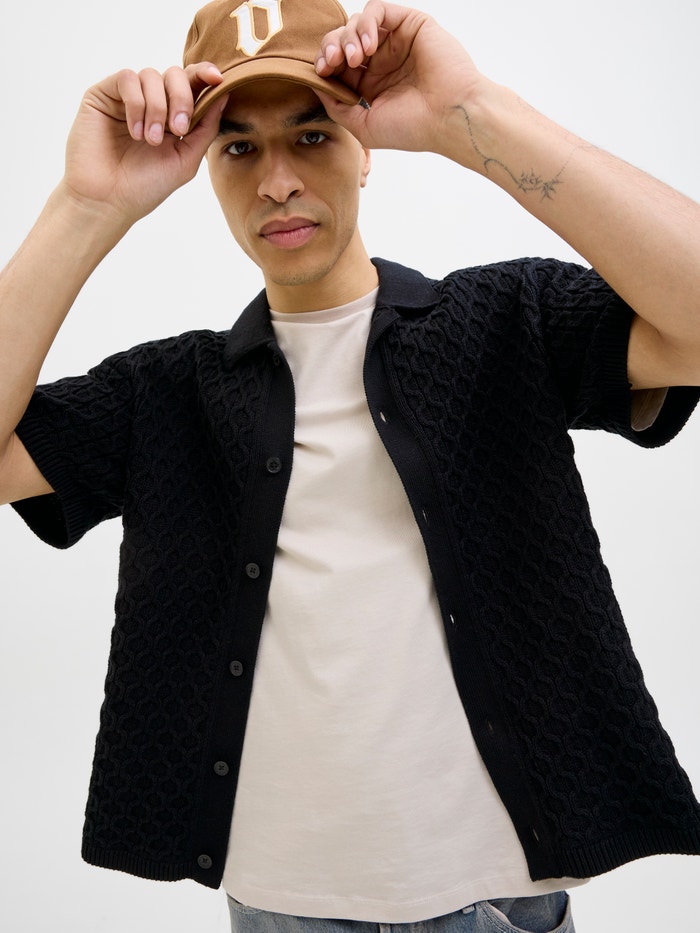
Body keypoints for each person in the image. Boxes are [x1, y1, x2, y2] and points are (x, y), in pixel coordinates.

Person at [1, 0, 699, 931]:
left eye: (312, 133)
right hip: (278, 905)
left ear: (365, 144)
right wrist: (85, 206)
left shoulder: (503, 323)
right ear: (206, 169)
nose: (278, 181)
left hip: (491, 899)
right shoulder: (166, 393)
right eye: (239, 147)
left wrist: (470, 115)